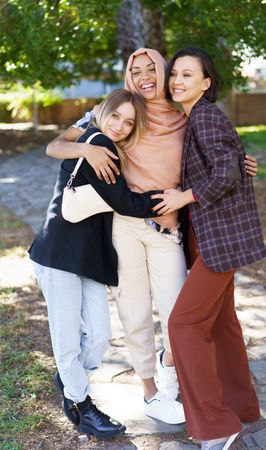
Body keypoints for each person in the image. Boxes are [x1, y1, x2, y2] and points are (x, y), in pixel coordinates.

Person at [46, 48, 258, 425]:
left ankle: (170, 365)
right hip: (124, 227)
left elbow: (214, 158)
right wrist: (87, 151)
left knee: (179, 314)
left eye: (153, 69)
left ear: (164, 74)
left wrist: (241, 165)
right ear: (128, 76)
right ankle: (151, 393)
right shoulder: (121, 112)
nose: (145, 76)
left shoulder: (185, 118)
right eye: (136, 69)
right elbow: (56, 145)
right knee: (135, 313)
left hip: (168, 228)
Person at [29, 89, 165, 440]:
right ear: (103, 112)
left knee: (100, 335)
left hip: (87, 257)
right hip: (58, 253)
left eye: (129, 122)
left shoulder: (103, 143)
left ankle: (68, 379)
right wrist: (178, 199)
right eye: (116, 116)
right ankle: (80, 405)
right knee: (67, 339)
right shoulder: (98, 141)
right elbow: (126, 202)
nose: (120, 125)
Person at [152, 47, 266, 450]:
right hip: (210, 239)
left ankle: (218, 425)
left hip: (219, 241)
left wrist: (184, 197)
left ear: (206, 83)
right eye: (175, 75)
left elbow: (225, 172)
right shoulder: (196, 118)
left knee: (183, 325)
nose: (177, 81)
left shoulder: (205, 116)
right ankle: (242, 406)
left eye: (188, 74)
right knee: (221, 323)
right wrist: (239, 160)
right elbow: (231, 163)